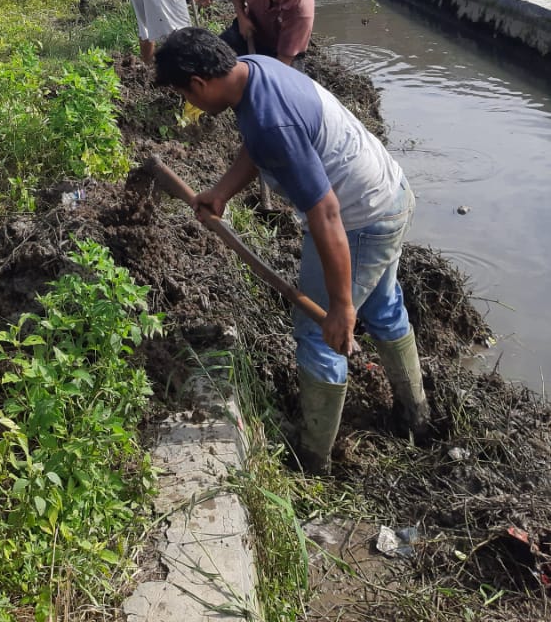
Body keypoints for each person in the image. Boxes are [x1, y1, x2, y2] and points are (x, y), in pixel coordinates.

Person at [154, 27, 430, 474]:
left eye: (186, 95)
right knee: (383, 306)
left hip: (359, 220)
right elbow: (257, 146)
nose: (191, 105)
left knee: (320, 335)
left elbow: (326, 212)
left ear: (199, 84)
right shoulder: (254, 70)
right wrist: (221, 192)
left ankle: (313, 459)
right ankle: (416, 417)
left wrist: (341, 306)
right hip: (391, 194)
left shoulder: (269, 122)